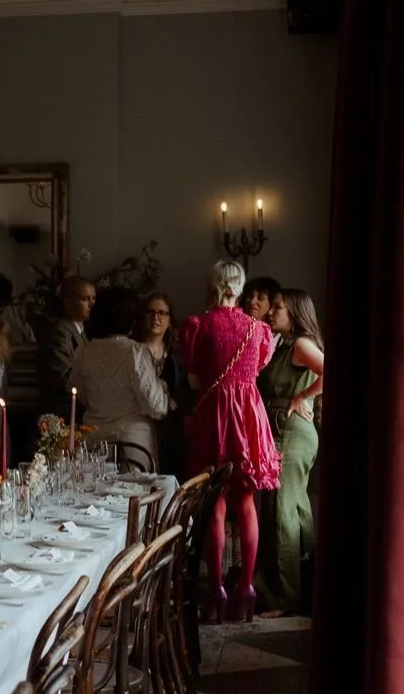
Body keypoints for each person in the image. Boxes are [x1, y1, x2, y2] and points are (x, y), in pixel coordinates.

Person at [180, 259, 281, 620]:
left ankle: (218, 589)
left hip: (214, 418)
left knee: (215, 507)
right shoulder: (258, 330)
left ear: (213, 284)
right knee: (247, 504)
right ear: (238, 288)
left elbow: (193, 380)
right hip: (250, 417)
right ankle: (247, 587)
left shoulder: (198, 326)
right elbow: (255, 370)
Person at [255, 288, 325, 616]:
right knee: (293, 508)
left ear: (294, 311)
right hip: (282, 432)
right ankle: (307, 579)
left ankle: (283, 598)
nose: (272, 312)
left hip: (291, 433)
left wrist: (302, 397)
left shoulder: (300, 343)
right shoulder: (283, 344)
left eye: (278, 307)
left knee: (280, 513)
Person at [70, 285, 168, 468]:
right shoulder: (135, 352)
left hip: (94, 441)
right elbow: (156, 406)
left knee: (95, 493)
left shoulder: (83, 351)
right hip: (132, 445)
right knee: (137, 494)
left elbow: (81, 394)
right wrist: (163, 390)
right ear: (131, 320)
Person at [138, 291, 191, 476]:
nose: (156, 317)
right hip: (140, 424)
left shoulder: (178, 356)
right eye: (151, 312)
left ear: (170, 320)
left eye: (162, 313)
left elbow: (186, 389)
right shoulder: (132, 351)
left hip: (170, 427)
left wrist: (173, 402)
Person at [37, 274, 96, 414]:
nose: (91, 304)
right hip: (63, 411)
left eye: (93, 298)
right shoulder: (58, 331)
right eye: (85, 299)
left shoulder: (80, 329)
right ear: (67, 302)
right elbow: (63, 380)